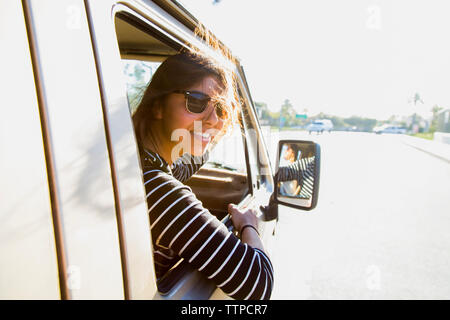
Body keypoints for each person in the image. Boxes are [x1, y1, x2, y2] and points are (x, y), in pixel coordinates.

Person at [132, 50, 273, 300]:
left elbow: (188, 163)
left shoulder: (143, 164)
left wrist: (209, 132)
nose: (214, 120)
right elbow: (259, 283)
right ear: (158, 107)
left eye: (220, 109)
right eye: (195, 102)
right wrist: (248, 224)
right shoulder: (158, 191)